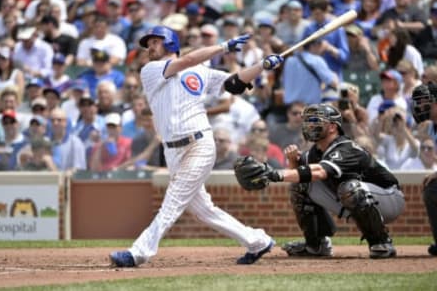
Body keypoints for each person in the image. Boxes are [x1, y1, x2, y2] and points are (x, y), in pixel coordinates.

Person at [109, 25, 284, 267]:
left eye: (154, 42)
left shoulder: (202, 71)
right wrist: (223, 46)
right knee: (203, 210)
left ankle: (139, 252)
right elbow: (187, 60)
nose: (149, 47)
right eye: (148, 43)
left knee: (173, 200)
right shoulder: (150, 70)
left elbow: (234, 83)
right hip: (172, 150)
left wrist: (261, 66)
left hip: (199, 143)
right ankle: (257, 241)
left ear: (170, 43)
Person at [233, 103, 405, 259]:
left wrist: (274, 174)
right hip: (353, 198)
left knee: (350, 187)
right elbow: (300, 176)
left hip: (389, 198)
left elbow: (320, 171)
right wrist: (293, 161)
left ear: (331, 127)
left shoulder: (346, 147)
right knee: (300, 187)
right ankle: (316, 245)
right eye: (308, 121)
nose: (309, 125)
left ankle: (381, 242)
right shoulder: (314, 152)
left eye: (315, 120)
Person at [410, 83, 437, 255]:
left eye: (425, 102)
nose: (420, 107)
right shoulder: (432, 127)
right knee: (432, 190)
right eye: (418, 103)